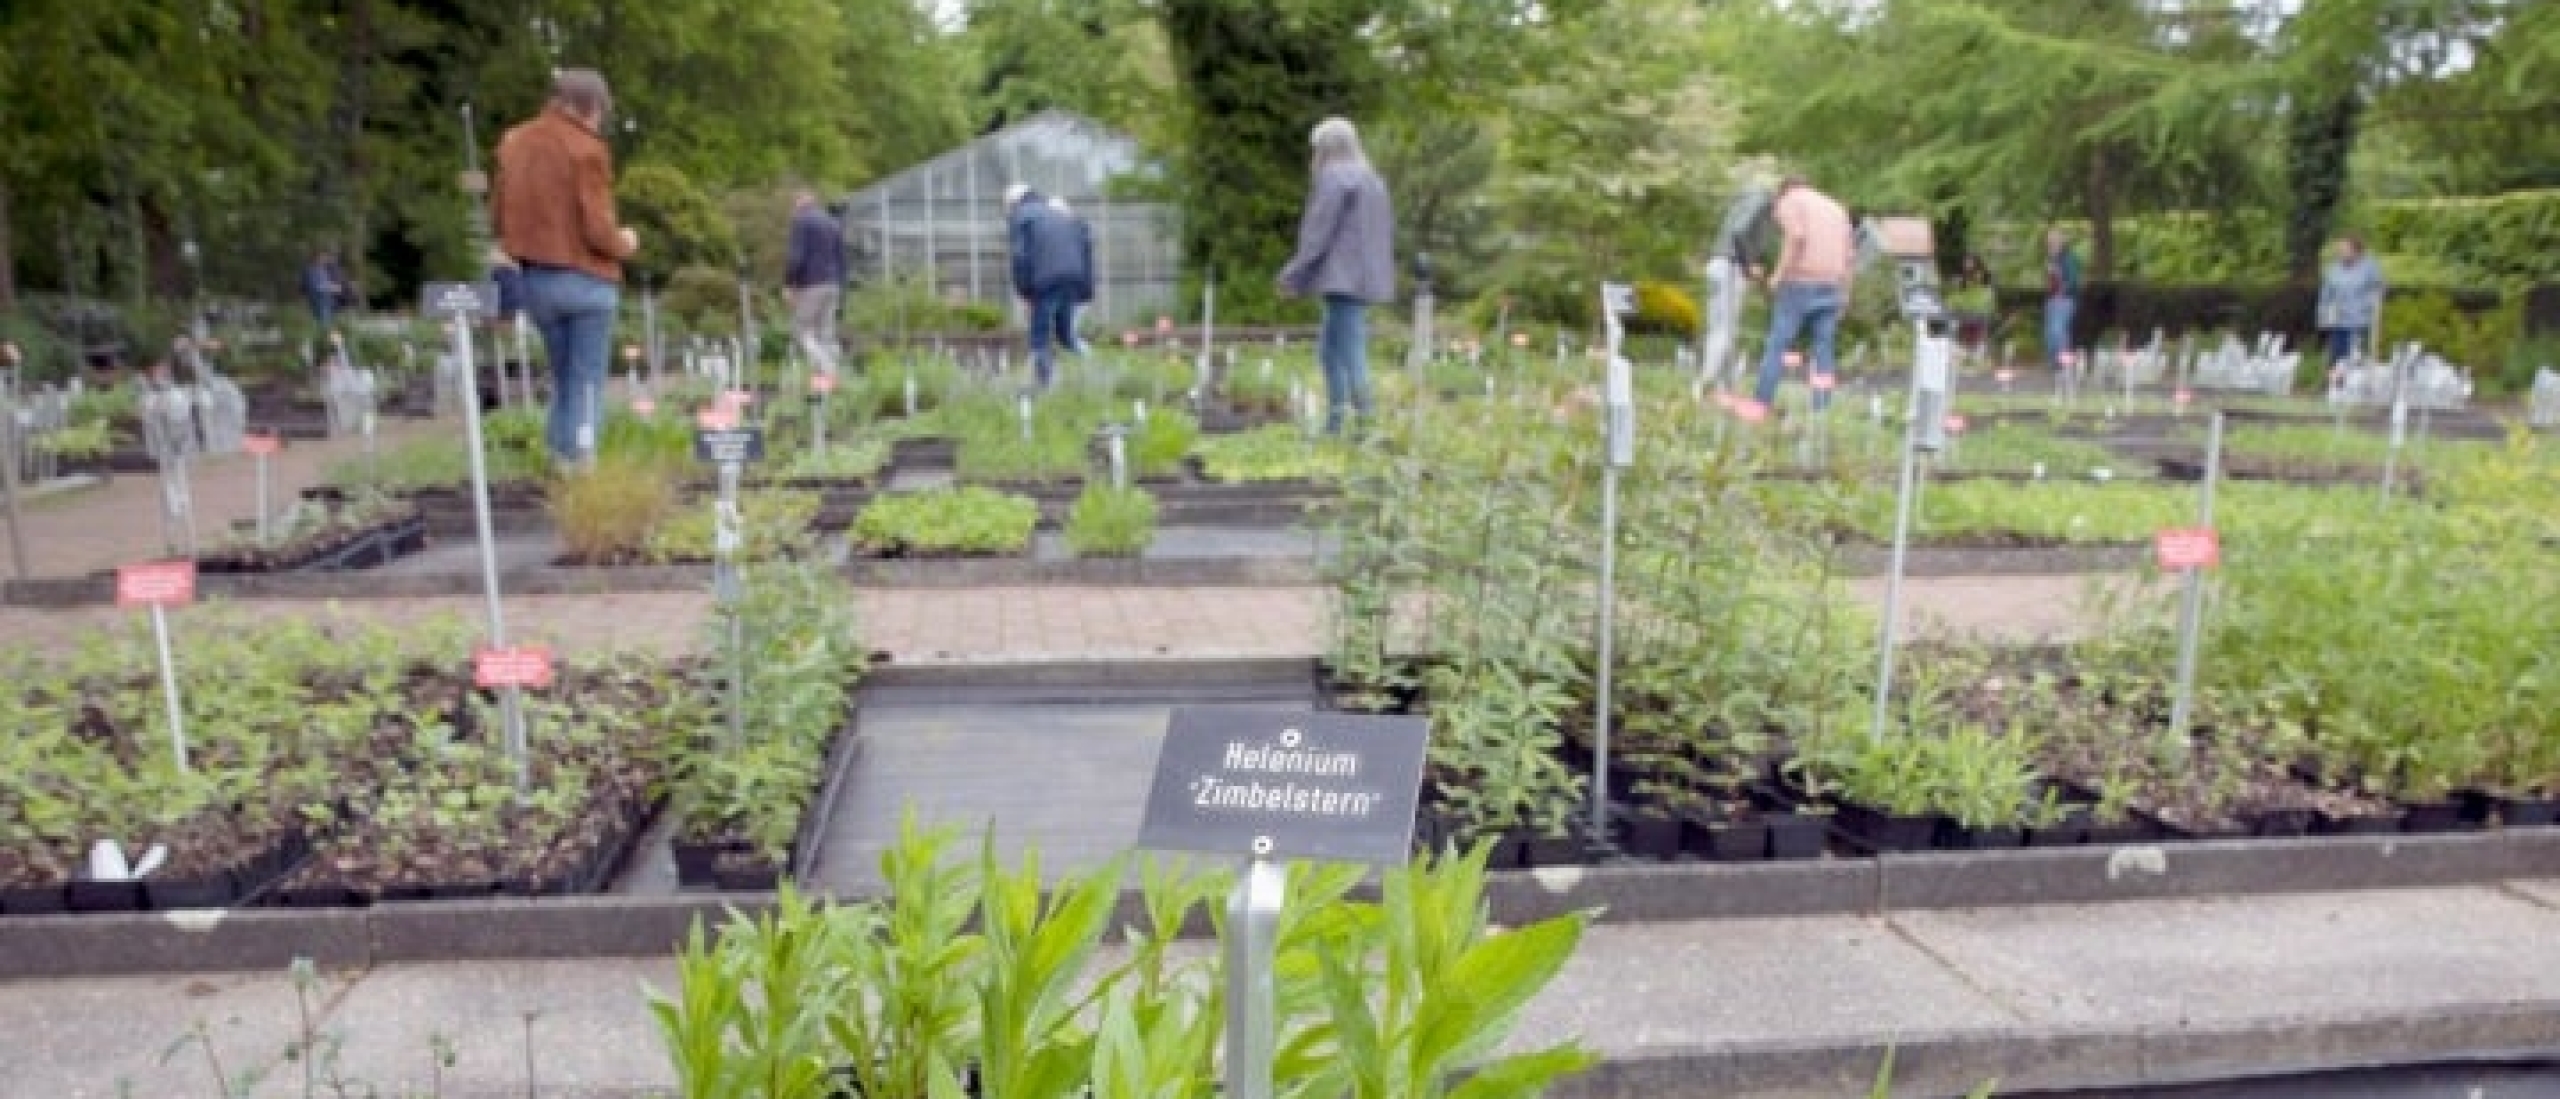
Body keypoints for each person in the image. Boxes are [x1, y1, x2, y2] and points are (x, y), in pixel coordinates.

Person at [492, 68, 640, 465]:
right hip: (587, 281)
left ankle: (558, 465)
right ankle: (582, 471)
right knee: (586, 384)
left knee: (563, 380)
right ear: (589, 106)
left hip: (537, 280)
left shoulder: (514, 141)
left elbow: (499, 215)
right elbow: (596, 226)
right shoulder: (586, 148)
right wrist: (624, 243)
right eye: (601, 112)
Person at [1277, 116, 1396, 435]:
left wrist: (1293, 274)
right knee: (1330, 354)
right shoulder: (1372, 180)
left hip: (1342, 279)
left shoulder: (1334, 178)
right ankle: (1335, 424)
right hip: (1365, 277)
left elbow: (1318, 233)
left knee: (1352, 356)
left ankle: (1366, 429)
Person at [1751, 175, 1854, 412]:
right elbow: (1849, 257)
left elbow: (1795, 235)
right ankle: (1821, 410)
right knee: (1823, 348)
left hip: (1799, 283)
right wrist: (1846, 294)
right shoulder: (1836, 208)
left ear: (1783, 191)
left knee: (1778, 344)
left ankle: (1760, 406)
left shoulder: (1789, 200)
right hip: (1831, 284)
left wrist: (1777, 275)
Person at [1005, 182, 1092, 388]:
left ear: (1013, 203)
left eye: (1007, 207)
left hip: (1047, 279)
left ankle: (1044, 387)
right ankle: (1093, 369)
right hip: (1072, 276)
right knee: (1065, 336)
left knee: (1040, 338)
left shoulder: (1022, 215)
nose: (1007, 212)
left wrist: (1025, 291)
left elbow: (1020, 256)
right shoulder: (1051, 212)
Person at [784, 190, 848, 377]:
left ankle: (828, 370)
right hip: (833, 283)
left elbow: (797, 257)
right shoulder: (833, 223)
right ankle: (823, 380)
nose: (793, 209)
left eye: (794, 204)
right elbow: (842, 260)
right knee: (825, 333)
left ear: (799, 203)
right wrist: (841, 287)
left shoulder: (801, 221)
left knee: (800, 330)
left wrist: (789, 284)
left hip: (813, 283)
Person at [2317, 235, 2386, 367]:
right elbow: (2325, 295)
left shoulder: (2369, 267)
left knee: (2356, 359)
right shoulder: (2333, 269)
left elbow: (2380, 287)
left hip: (2360, 323)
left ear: (2356, 251)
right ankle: (2334, 384)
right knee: (2336, 359)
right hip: (2338, 322)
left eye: (2344, 249)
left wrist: (2369, 303)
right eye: (2339, 249)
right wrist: (2323, 317)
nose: (2340, 252)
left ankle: (2355, 383)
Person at [1049, 197, 1093, 357]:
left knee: (1068, 337)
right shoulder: (1079, 230)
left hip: (1075, 292)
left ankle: (1091, 363)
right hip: (1076, 290)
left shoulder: (1074, 232)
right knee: (1065, 336)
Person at [2043, 227, 2082, 372]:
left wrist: (2061, 290)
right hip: (2052, 300)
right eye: (2049, 240)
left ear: (2061, 241)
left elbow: (2073, 281)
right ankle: (2054, 364)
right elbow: (2050, 281)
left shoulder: (2068, 258)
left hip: (2064, 300)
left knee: (2058, 330)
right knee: (2049, 333)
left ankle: (2064, 363)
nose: (2051, 243)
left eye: (2054, 240)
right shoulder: (2051, 258)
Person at [303, 250, 346, 333]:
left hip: (327, 303)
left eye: (325, 257)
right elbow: (315, 287)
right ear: (316, 258)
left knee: (330, 325)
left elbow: (324, 284)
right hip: (319, 303)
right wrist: (332, 288)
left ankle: (334, 342)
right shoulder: (311, 271)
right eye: (323, 257)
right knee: (325, 326)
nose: (325, 259)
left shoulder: (322, 270)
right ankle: (329, 342)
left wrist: (333, 287)